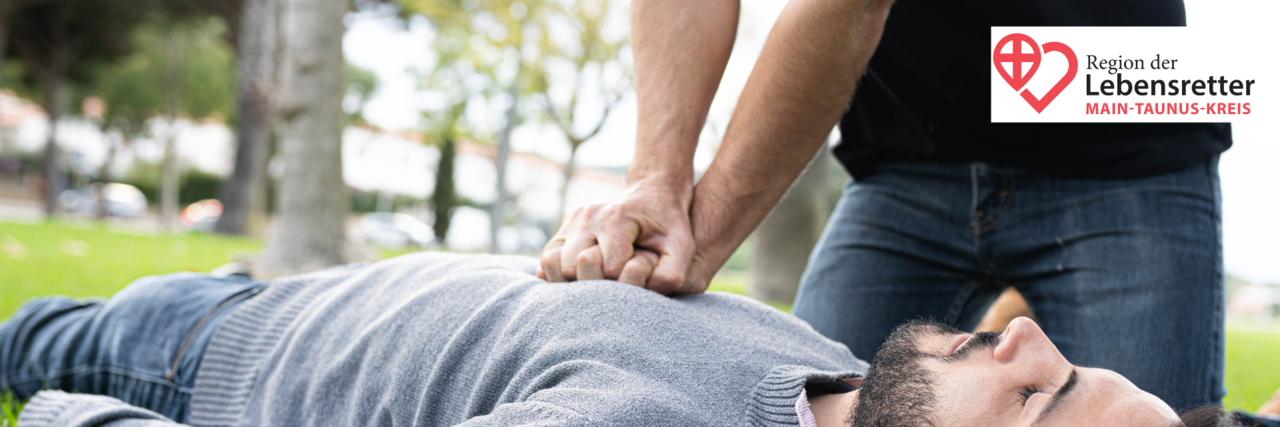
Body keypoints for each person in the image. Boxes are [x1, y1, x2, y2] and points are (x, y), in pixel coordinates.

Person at [539, 0, 1229, 412]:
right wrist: (655, 180)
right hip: (907, 152)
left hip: (1128, 145)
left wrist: (695, 240)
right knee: (792, 405)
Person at [0, 252, 1239, 426]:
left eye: (1034, 402)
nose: (1023, 342)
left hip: (196, 361)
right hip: (275, 291)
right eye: (1063, 363)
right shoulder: (829, 378)